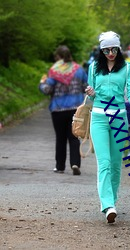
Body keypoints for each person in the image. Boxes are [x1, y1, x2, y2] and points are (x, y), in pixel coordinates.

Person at [85, 31, 130, 223]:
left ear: (119, 48)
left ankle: (112, 201)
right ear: (101, 50)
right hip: (98, 118)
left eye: (114, 49)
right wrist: (90, 92)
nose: (110, 53)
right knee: (104, 162)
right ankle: (107, 205)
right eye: (106, 50)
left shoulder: (127, 68)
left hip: (119, 118)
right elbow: (91, 97)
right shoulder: (93, 68)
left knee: (116, 164)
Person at [39, 45, 88, 175]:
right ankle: (75, 163)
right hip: (75, 109)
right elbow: (86, 87)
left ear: (58, 57)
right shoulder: (79, 69)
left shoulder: (54, 71)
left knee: (60, 138)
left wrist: (42, 83)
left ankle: (60, 166)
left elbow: (47, 90)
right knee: (74, 137)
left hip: (58, 109)